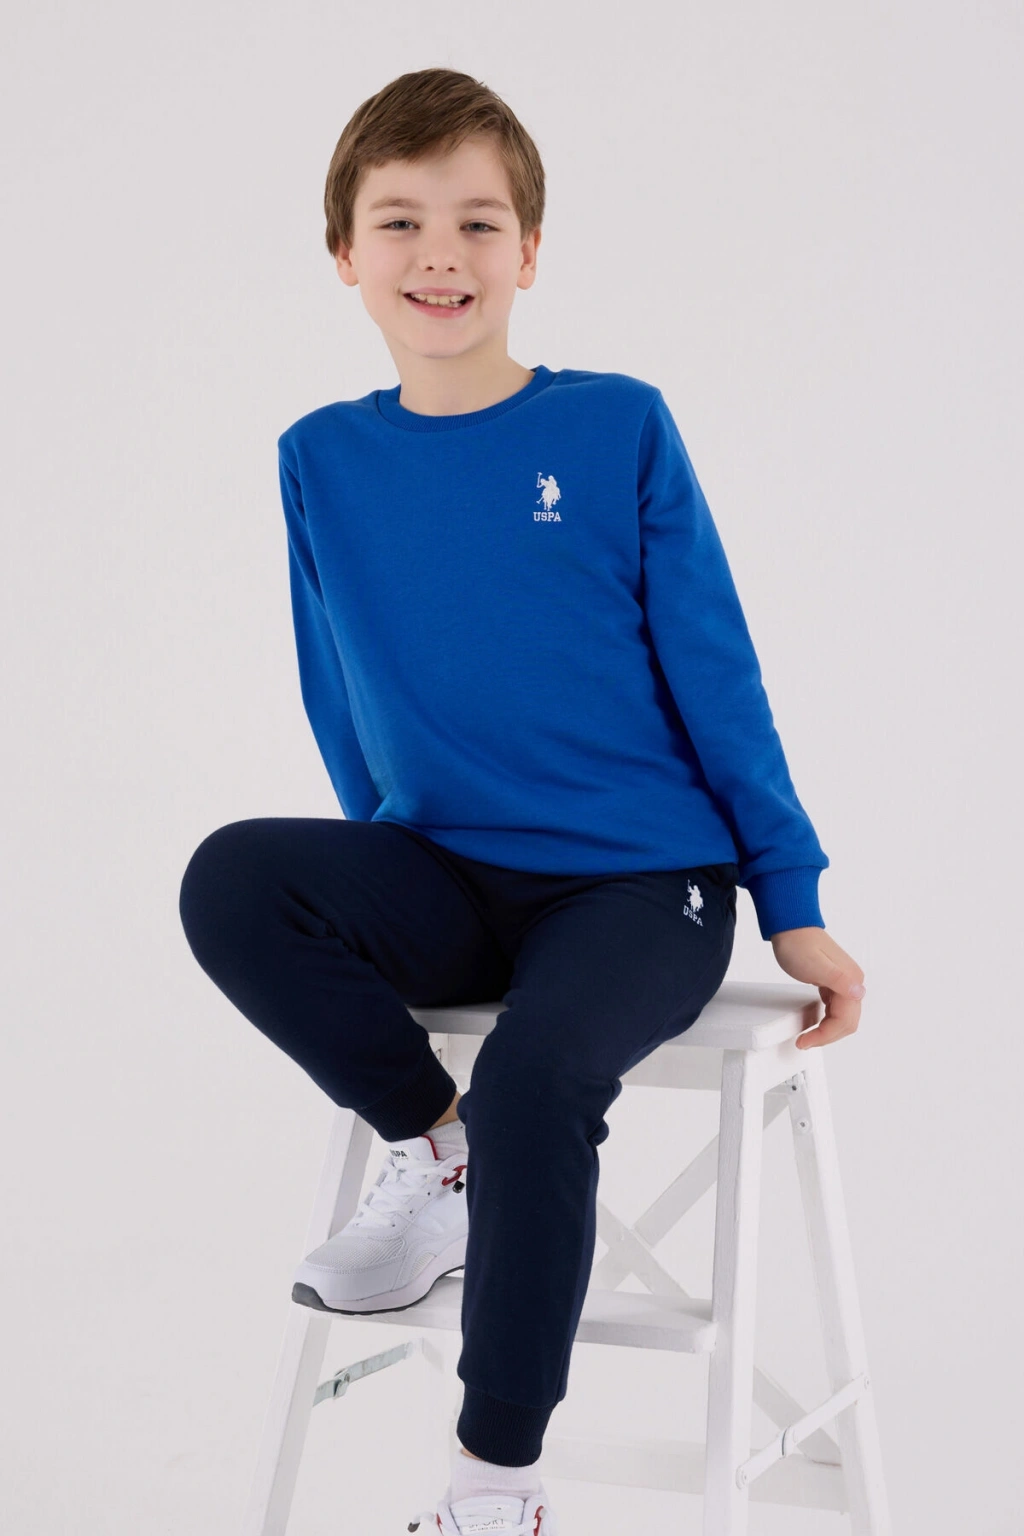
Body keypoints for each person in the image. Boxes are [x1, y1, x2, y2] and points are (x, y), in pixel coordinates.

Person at [178, 65, 867, 1536]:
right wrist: (378, 874)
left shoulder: (617, 426)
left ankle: (496, 1489)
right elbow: (336, 684)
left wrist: (790, 898)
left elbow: (717, 671)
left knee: (540, 1078)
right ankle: (440, 1154)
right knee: (232, 878)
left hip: (642, 885)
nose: (441, 254)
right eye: (401, 221)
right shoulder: (319, 457)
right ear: (345, 254)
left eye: (479, 223)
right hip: (445, 869)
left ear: (530, 253)